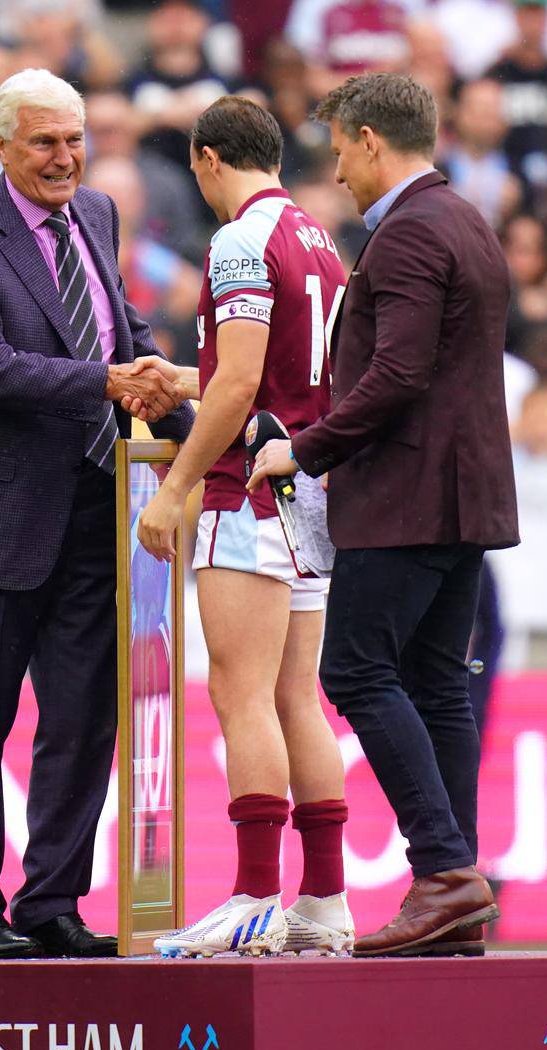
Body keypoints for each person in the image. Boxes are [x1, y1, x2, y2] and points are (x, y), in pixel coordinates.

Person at [0, 68, 192, 960]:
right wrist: (107, 381)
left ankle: (51, 902)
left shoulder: (100, 215)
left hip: (96, 503)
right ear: (0, 146)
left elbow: (121, 332)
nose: (65, 157)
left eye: (74, 139)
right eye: (44, 142)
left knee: (83, 716)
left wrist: (201, 429)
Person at [249, 73, 518, 958]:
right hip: (466, 496)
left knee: (359, 671)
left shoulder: (405, 234)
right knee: (439, 685)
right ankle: (457, 892)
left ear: (370, 140)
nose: (338, 170)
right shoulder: (467, 220)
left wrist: (308, 446)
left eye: (338, 149)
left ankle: (443, 870)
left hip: (404, 497)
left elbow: (396, 376)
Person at [134, 96, 355, 957]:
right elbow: (276, 379)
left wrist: (175, 486)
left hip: (245, 489)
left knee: (240, 690)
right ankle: (325, 899)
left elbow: (242, 385)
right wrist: (184, 378)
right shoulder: (318, 239)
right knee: (299, 695)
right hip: (309, 486)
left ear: (207, 161)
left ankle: (256, 894)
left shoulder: (237, 240)